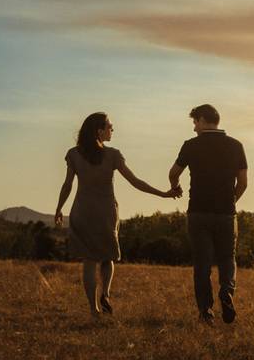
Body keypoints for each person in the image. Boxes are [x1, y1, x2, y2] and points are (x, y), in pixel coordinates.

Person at [55, 112, 180, 316]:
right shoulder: (113, 155)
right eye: (110, 127)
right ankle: (105, 293)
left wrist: (59, 208)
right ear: (99, 131)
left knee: (89, 261)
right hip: (106, 212)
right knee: (108, 257)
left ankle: (93, 309)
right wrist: (163, 194)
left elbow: (67, 185)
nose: (113, 130)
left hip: (82, 212)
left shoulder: (74, 154)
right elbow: (135, 181)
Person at [169, 104, 247, 325]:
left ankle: (206, 311)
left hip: (198, 212)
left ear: (203, 120)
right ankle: (227, 291)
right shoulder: (236, 146)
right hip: (226, 214)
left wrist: (175, 187)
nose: (194, 128)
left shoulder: (191, 146)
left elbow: (173, 172)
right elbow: (243, 183)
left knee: (202, 264)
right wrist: (230, 202)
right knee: (227, 258)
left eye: (195, 122)